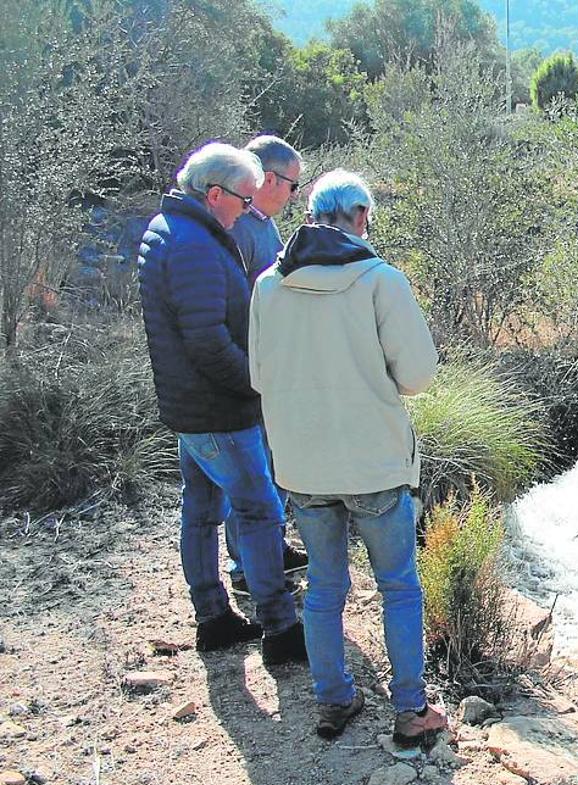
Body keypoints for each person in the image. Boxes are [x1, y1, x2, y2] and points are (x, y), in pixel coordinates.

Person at [249, 169, 445, 741]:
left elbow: (260, 377)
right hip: (374, 461)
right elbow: (418, 376)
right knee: (399, 587)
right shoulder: (382, 281)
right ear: (360, 217)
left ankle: (332, 700)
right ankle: (410, 711)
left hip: (304, 465)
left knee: (325, 587)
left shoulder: (267, 286)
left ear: (310, 216)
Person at [137, 142, 306, 665]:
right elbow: (207, 340)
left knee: (202, 509)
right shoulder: (194, 246)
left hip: (190, 406)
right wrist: (258, 383)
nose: (247, 210)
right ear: (215, 194)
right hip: (217, 410)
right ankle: (279, 629)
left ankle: (213, 618)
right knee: (257, 510)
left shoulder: (174, 229)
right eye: (243, 199)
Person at [223, 135, 308, 596]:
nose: (294, 195)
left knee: (271, 461)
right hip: (250, 367)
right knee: (250, 469)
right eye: (293, 185)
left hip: (271, 364)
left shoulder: (261, 223)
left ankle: (273, 545)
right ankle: (244, 567)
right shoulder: (237, 228)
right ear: (269, 179)